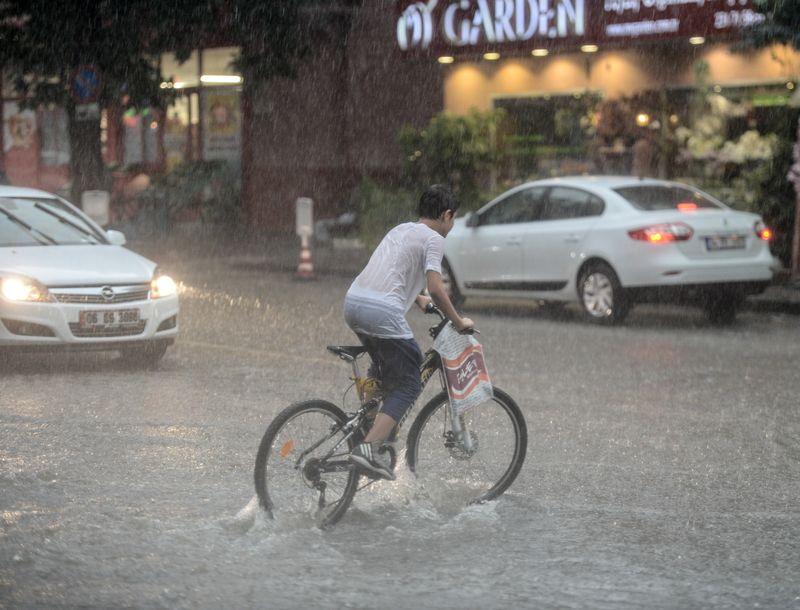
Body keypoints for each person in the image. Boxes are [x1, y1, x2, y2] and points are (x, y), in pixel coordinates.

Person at [344, 184, 473, 480]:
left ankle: (371, 422)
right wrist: (457, 320)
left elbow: (390, 270)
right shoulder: (434, 238)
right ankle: (368, 448)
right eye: (452, 221)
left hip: (353, 302)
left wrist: (417, 298)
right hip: (382, 312)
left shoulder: (400, 230)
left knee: (387, 364)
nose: (451, 226)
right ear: (447, 215)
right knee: (411, 380)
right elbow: (438, 287)